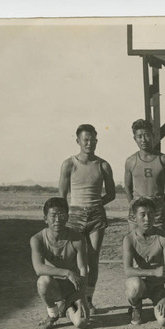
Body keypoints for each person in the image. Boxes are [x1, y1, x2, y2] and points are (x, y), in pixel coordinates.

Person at [59, 124, 116, 315]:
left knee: (93, 259)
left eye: (93, 139)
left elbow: (112, 193)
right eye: (86, 139)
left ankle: (89, 300)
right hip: (74, 215)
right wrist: (67, 214)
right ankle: (75, 298)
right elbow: (62, 195)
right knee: (75, 260)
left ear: (97, 141)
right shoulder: (69, 164)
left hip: (96, 216)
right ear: (78, 141)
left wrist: (96, 203)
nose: (89, 143)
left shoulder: (103, 165)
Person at [30, 197, 90, 329]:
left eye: (61, 215)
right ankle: (53, 314)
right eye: (53, 216)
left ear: (67, 217)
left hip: (74, 290)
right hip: (55, 287)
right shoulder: (37, 239)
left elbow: (83, 270)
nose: (57, 220)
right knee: (43, 281)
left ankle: (69, 306)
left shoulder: (78, 239)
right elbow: (38, 269)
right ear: (45, 218)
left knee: (82, 323)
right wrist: (67, 273)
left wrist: (79, 295)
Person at [122, 197, 165, 327]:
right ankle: (136, 307)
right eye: (143, 215)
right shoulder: (129, 239)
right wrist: (154, 272)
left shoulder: (164, 237)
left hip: (159, 286)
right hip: (141, 284)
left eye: (151, 214)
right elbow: (127, 270)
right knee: (134, 286)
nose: (147, 218)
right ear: (134, 217)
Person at [124, 119, 165, 232]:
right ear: (135, 138)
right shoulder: (130, 161)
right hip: (137, 208)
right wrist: (133, 204)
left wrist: (162, 205)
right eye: (139, 136)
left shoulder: (164, 160)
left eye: (146, 135)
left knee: (158, 243)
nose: (143, 140)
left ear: (152, 135)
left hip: (157, 210)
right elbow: (127, 187)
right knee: (136, 243)